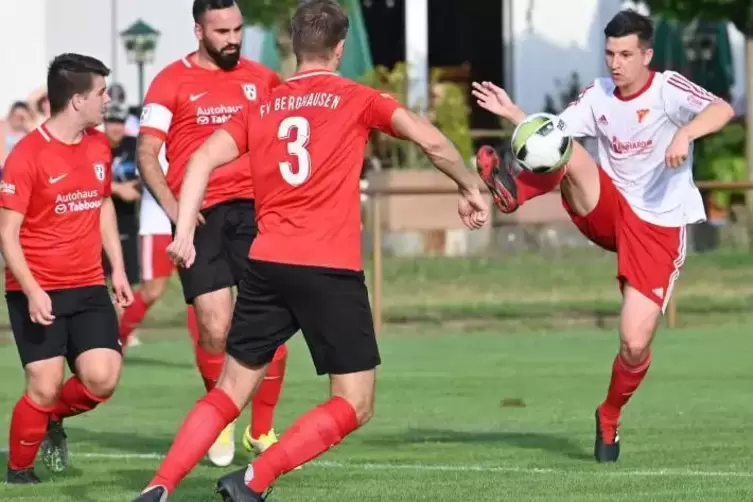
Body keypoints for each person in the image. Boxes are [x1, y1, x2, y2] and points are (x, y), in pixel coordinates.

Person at [132, 1, 489, 501]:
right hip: (328, 269)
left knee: (230, 390)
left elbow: (200, 160)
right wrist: (470, 185)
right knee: (354, 402)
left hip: (267, 264)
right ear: (339, 49)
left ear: (295, 47)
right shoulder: (358, 98)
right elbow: (429, 140)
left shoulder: (261, 106)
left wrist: (185, 227)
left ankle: (159, 486)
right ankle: (256, 478)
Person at [472, 10, 734, 463]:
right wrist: (515, 113)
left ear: (646, 56)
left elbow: (723, 109)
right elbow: (553, 133)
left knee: (634, 343)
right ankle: (512, 192)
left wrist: (685, 134)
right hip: (610, 209)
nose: (616, 63)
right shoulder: (598, 95)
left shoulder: (669, 89)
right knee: (568, 150)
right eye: (610, 53)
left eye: (626, 54)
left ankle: (610, 415)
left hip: (659, 229)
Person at [136, 0, 288, 468]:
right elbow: (146, 152)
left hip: (258, 211)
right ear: (198, 30)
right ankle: (220, 414)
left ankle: (261, 430)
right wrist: (174, 207)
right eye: (222, 30)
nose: (233, 39)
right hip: (199, 216)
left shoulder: (264, 80)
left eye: (238, 29)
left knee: (272, 320)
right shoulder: (169, 81)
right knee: (215, 326)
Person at [0, 53, 134, 484]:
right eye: (100, 93)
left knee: (103, 379)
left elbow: (101, 204)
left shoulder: (98, 145)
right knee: (43, 384)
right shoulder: (26, 156)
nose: (107, 100)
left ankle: (49, 421)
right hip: (35, 289)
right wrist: (32, 289)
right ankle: (18, 472)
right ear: (77, 100)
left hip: (88, 285)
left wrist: (117, 268)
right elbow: (6, 234)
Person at [103, 105, 142, 297]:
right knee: (99, 282)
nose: (116, 127)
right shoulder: (93, 144)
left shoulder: (134, 145)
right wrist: (118, 189)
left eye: (120, 122)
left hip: (128, 220)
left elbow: (149, 173)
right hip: (97, 221)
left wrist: (137, 186)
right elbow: (83, 179)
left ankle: (120, 327)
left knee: (124, 283)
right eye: (111, 122)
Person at [0, 101, 33, 167]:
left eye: (21, 117)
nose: (16, 119)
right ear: (10, 115)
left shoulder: (26, 134)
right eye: (15, 115)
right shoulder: (2, 126)